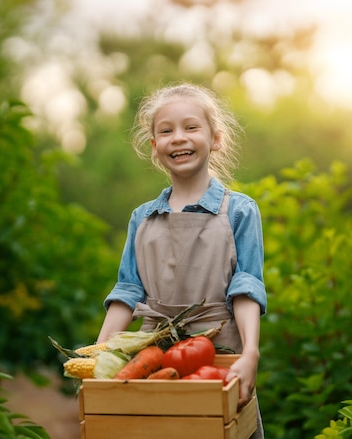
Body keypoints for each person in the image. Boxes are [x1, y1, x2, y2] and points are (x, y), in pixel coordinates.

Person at [96, 82, 266, 438]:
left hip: (219, 355)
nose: (178, 138)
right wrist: (100, 355)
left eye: (191, 127)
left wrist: (249, 354)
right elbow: (128, 291)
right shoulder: (142, 218)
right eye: (166, 130)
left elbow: (246, 289)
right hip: (152, 357)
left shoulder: (239, 211)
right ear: (154, 146)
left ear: (216, 138)